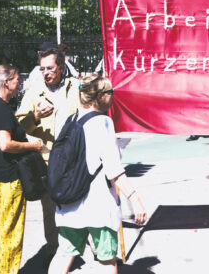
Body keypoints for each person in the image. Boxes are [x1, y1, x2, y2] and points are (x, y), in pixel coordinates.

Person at [48, 74, 147, 274]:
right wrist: (135, 200)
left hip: (69, 203)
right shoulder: (103, 122)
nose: (113, 96)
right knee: (106, 259)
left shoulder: (71, 119)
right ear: (100, 96)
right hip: (98, 206)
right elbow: (113, 169)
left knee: (64, 254)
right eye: (110, 92)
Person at [16, 47, 81, 262]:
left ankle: (78, 244)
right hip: (47, 158)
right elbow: (20, 123)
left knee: (78, 201)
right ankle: (54, 248)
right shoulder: (34, 91)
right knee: (49, 208)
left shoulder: (74, 88)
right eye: (42, 68)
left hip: (73, 156)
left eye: (50, 68)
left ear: (61, 68)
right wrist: (35, 117)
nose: (46, 73)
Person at [0, 64, 44, 274]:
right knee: (11, 233)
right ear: (7, 82)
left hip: (0, 175)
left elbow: (10, 134)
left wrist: (34, 118)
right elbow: (6, 144)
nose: (21, 82)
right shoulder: (0, 107)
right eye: (18, 79)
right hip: (9, 177)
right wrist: (34, 146)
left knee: (6, 230)